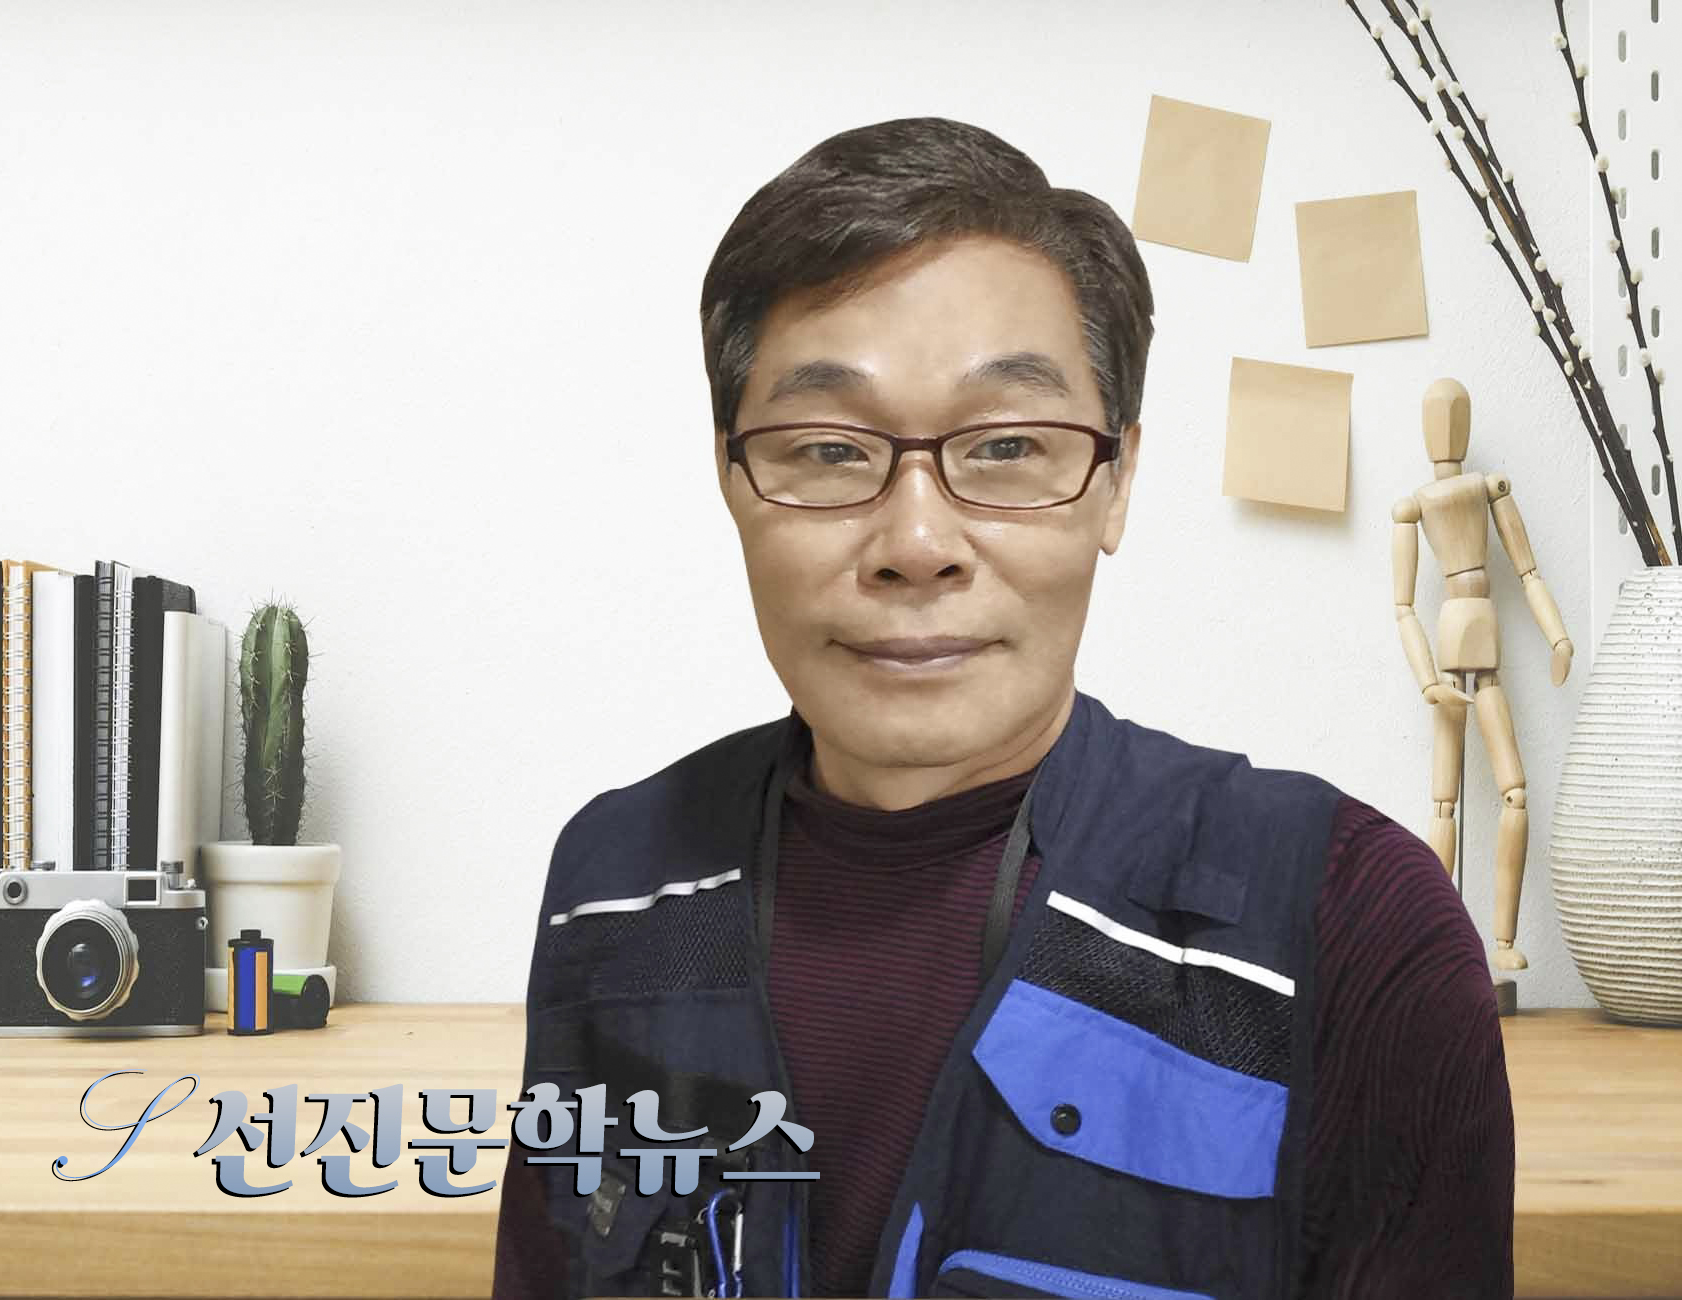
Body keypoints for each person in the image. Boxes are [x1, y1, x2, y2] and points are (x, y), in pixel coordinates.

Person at [491, 116, 1512, 1300]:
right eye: (827, 450)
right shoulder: (617, 879)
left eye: (1008, 444)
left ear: (1114, 482)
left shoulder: (1346, 925)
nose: (915, 541)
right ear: (732, 479)